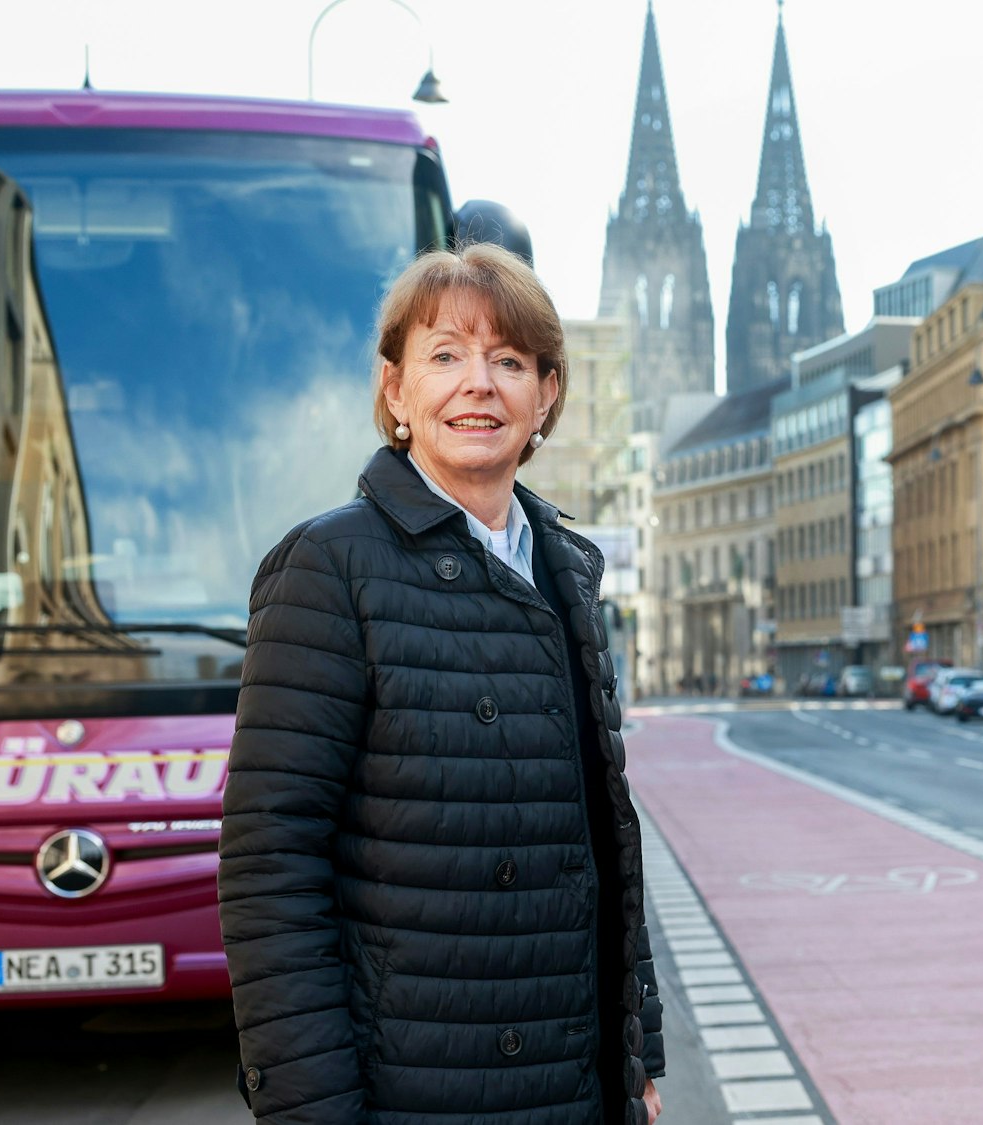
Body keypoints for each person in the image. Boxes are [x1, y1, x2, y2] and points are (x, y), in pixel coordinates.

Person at [219, 243, 664, 1125]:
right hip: (412, 1088)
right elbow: (270, 865)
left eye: (508, 360)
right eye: (447, 355)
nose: (480, 385)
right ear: (396, 390)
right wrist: (313, 1109)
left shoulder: (571, 571)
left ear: (545, 395)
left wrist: (638, 1049)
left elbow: (606, 845)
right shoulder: (329, 565)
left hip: (573, 1085)